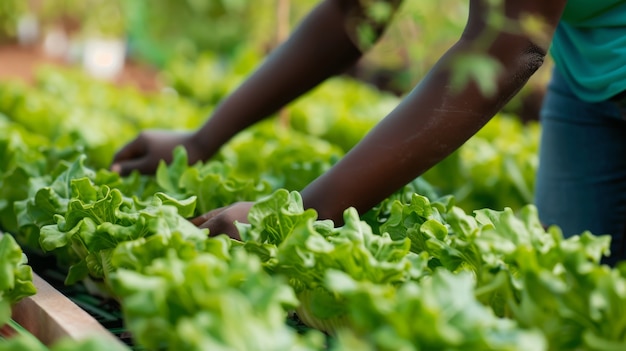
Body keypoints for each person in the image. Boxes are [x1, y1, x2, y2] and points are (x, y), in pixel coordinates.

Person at [111, 0, 625, 265]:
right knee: (580, 298)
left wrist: (295, 216)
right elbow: (352, 15)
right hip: (590, 79)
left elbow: (505, 49)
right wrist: (201, 140)